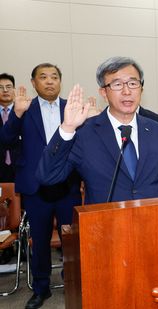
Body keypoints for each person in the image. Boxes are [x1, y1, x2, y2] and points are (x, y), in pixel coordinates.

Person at [36, 56, 158, 205]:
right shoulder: (84, 133)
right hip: (105, 224)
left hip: (153, 222)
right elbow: (48, 176)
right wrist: (67, 128)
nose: (127, 91)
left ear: (141, 89)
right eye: (117, 84)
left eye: (133, 83)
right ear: (104, 93)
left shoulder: (157, 130)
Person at [0, 63, 82, 309]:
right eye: (43, 77)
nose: (49, 81)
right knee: (40, 240)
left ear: (61, 81)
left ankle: (72, 282)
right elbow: (5, 140)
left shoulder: (72, 108)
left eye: (54, 77)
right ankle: (41, 289)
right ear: (34, 83)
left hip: (67, 186)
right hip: (35, 188)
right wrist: (16, 114)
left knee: (72, 241)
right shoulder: (24, 108)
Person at [0, 73, 19, 183]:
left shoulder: (25, 112)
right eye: (1, 88)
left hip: (21, 168)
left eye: (8, 87)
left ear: (14, 90)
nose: (5, 90)